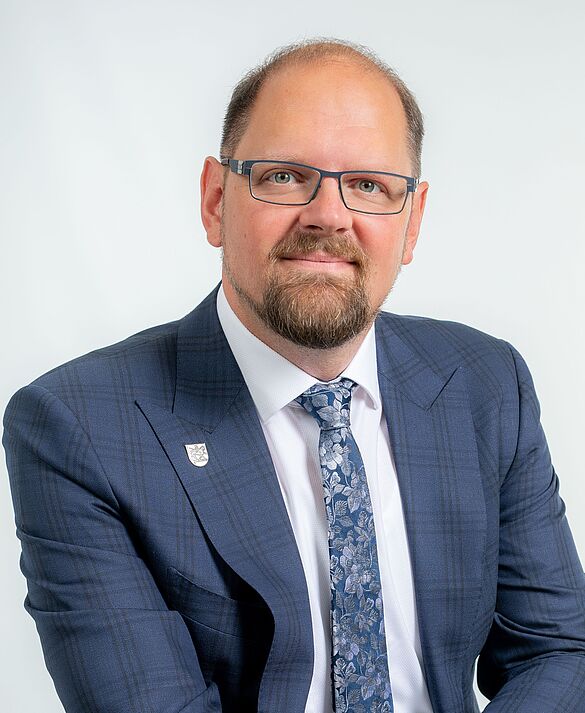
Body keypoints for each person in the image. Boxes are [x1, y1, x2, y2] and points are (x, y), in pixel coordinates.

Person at [3, 38, 585, 713]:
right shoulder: (79, 427)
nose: (328, 216)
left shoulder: (485, 383)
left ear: (412, 222)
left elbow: (556, 649)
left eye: (368, 185)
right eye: (283, 175)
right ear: (216, 200)